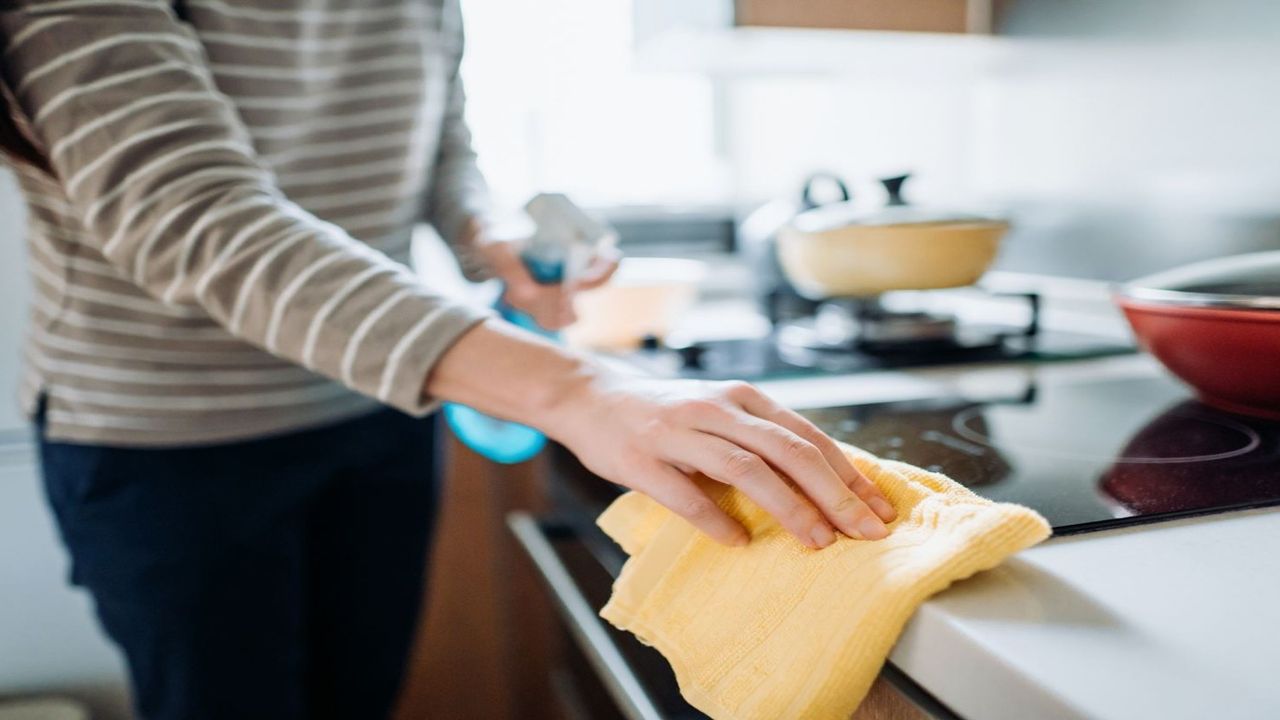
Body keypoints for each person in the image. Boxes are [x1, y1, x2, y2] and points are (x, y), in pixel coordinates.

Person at [0, 1, 896, 718]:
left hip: (375, 407)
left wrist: (490, 236)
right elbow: (192, 215)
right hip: (172, 439)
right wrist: (580, 391)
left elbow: (440, 151)